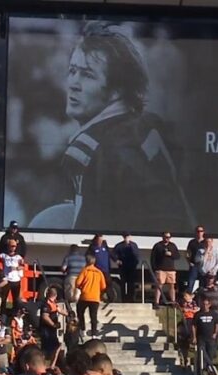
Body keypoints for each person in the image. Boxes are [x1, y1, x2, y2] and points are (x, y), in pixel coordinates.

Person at [32, 22, 191, 231]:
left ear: (117, 90)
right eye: (72, 71)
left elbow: (85, 235)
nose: (73, 83)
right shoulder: (145, 125)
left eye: (87, 75)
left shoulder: (93, 146)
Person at [75, 254, 107, 336]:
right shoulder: (99, 272)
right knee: (93, 316)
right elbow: (103, 286)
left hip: (85, 296)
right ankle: (94, 334)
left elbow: (78, 283)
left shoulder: (85, 271)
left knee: (80, 311)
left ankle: (82, 330)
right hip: (95, 297)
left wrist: (81, 287)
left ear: (86, 262)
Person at [150, 232, 179, 307]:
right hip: (160, 269)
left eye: (169, 237)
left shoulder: (173, 246)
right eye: (166, 237)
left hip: (171, 269)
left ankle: (173, 301)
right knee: (159, 285)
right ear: (162, 237)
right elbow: (153, 258)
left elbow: (177, 256)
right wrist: (154, 268)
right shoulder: (158, 246)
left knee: (172, 286)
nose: (167, 239)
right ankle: (156, 302)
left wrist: (171, 254)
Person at [112, 233, 140, 303]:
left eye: (128, 236)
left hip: (132, 267)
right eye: (125, 237)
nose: (126, 238)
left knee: (131, 284)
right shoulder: (119, 245)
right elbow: (112, 254)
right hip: (123, 267)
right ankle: (123, 298)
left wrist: (136, 263)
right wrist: (116, 260)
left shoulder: (133, 245)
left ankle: (131, 298)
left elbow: (136, 255)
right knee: (123, 283)